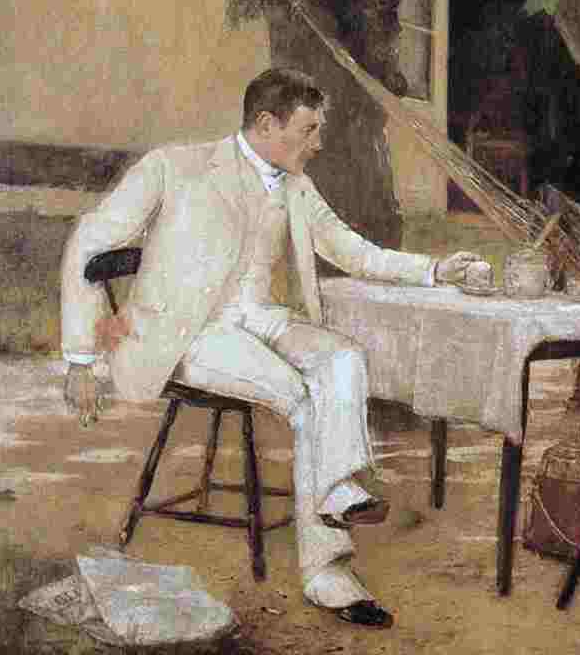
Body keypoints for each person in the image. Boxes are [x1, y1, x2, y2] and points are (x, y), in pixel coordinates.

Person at [60, 68, 482, 629]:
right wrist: (80, 358)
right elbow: (88, 239)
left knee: (344, 357)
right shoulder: (174, 165)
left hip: (261, 318)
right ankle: (329, 571)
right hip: (186, 333)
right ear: (265, 123)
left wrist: (433, 269)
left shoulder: (296, 185)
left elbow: (353, 250)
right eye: (309, 129)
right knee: (301, 396)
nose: (318, 142)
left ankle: (336, 489)